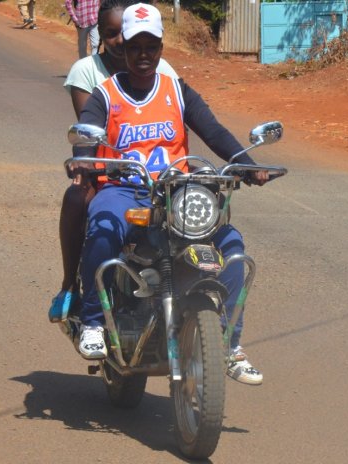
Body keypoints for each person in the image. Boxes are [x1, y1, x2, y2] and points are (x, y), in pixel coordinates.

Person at [72, 3, 268, 385]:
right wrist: (82, 160)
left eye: (151, 46)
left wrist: (247, 163)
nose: (143, 56)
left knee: (231, 246)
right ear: (123, 48)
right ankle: (94, 322)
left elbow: (213, 131)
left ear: (161, 47)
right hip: (126, 190)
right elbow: (86, 131)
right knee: (103, 226)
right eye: (135, 47)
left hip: (179, 193)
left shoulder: (177, 90)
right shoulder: (105, 94)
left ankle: (229, 346)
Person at [49, 0, 179, 325]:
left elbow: (178, 122)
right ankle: (70, 287)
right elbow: (91, 131)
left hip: (155, 171)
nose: (121, 41)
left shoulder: (162, 70)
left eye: (127, 33)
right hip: (107, 168)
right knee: (77, 198)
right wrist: (89, 167)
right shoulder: (87, 71)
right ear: (101, 36)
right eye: (112, 34)